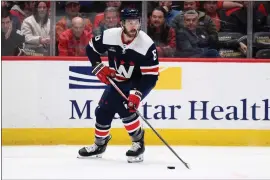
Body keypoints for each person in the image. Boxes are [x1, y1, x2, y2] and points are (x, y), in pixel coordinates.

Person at [78, 8, 159, 163]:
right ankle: (99, 145)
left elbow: (151, 76)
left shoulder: (147, 44)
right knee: (102, 111)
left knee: (126, 108)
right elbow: (91, 48)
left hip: (137, 81)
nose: (133, 26)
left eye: (136, 22)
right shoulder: (110, 35)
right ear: (122, 23)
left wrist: (138, 93)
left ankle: (138, 143)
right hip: (117, 80)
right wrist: (99, 67)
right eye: (129, 22)